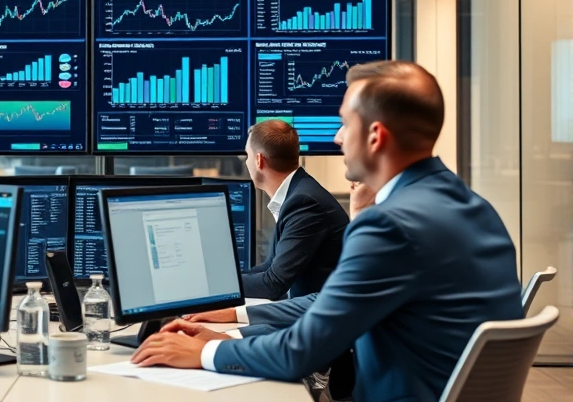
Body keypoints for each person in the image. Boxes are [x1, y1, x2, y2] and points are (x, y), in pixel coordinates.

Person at [132, 60, 524, 401]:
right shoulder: (473, 208)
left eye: (343, 124)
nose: (337, 138)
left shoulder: (390, 226)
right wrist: (228, 328)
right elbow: (324, 304)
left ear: (375, 137)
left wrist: (201, 354)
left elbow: (300, 354)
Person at [195, 119, 349, 309]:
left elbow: (273, 284)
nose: (247, 162)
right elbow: (269, 267)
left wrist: (211, 286)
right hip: (302, 311)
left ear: (259, 160)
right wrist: (223, 279)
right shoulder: (298, 192)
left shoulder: (304, 202)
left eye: (247, 155)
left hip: (313, 319)